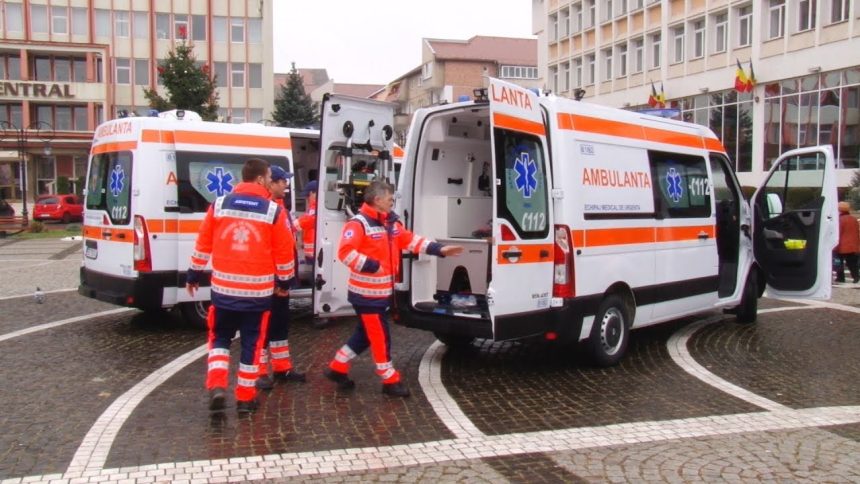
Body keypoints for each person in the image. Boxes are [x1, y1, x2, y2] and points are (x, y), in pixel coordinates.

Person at [323, 180, 463, 397]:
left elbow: (412, 241)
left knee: (364, 336)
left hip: (379, 294)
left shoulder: (391, 224)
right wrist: (373, 265)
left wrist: (441, 249)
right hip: (366, 295)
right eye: (390, 199)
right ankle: (389, 379)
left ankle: (337, 367)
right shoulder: (358, 224)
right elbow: (345, 253)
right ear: (378, 200)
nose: (392, 203)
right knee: (380, 337)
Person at [186, 159, 295, 414]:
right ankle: (245, 398)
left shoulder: (220, 205)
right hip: (257, 295)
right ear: (259, 179)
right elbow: (284, 254)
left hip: (223, 292)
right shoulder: (273, 211)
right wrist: (284, 282)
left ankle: (217, 386)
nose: (270, 181)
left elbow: (203, 244)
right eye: (269, 177)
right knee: (252, 344)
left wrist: (193, 275)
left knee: (219, 339)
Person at [256, 165, 306, 390]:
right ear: (271, 183)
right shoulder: (267, 210)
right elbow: (267, 248)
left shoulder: (281, 209)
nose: (286, 185)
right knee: (263, 329)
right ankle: (259, 372)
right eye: (283, 181)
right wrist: (277, 280)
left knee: (280, 327)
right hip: (270, 282)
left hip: (282, 281)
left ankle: (281, 367)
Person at [293, 180, 318, 263]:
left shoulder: (316, 209)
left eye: (308, 196)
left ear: (313, 194)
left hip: (314, 255)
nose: (307, 199)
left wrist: (288, 224)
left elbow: (305, 222)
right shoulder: (313, 209)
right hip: (311, 255)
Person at [835, 201, 859, 284]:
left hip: (842, 245)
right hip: (853, 245)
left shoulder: (839, 220)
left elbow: (838, 233)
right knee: (852, 264)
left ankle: (840, 278)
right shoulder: (853, 219)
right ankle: (856, 277)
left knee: (839, 263)